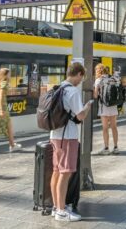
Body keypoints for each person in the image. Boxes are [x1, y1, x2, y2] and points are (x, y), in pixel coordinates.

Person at [50, 62, 92, 222]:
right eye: (82, 78)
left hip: (55, 135)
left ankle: (56, 206)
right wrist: (87, 107)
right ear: (79, 74)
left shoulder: (58, 88)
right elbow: (80, 116)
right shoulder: (73, 91)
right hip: (67, 137)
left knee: (56, 171)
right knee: (65, 172)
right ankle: (61, 211)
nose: (81, 81)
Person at [93, 64, 121, 155]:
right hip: (113, 106)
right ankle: (116, 147)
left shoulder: (99, 80)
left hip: (104, 106)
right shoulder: (113, 79)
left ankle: (106, 148)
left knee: (105, 128)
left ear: (98, 71)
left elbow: (95, 96)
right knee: (114, 127)